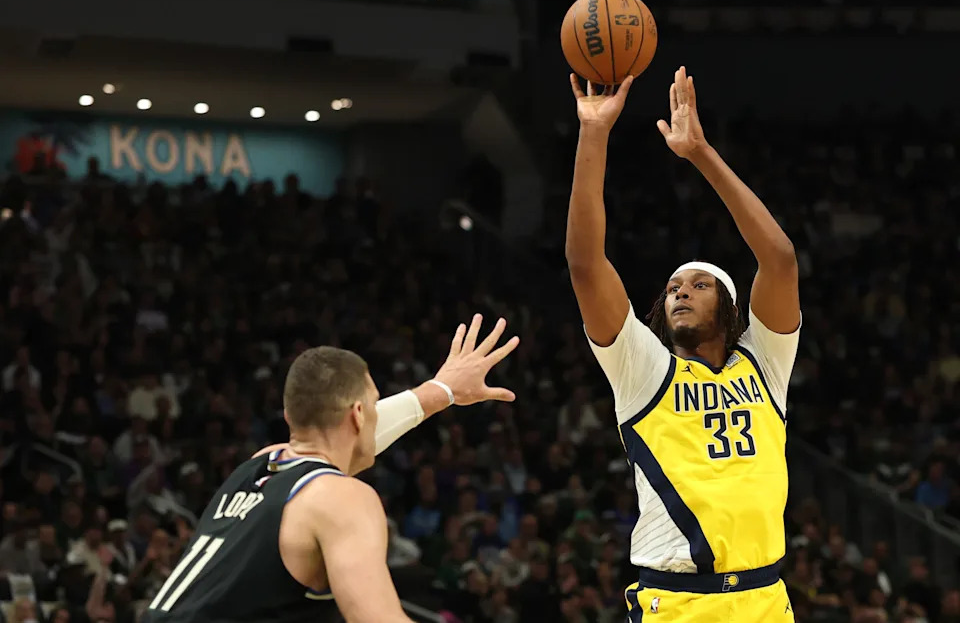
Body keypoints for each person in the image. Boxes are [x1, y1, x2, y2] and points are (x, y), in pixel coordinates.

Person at [565, 66, 801, 622]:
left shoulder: (764, 362)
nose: (679, 293)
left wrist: (700, 153)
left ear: (730, 309)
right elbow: (584, 263)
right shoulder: (643, 369)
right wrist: (593, 133)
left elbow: (780, 260)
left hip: (766, 599)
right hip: (678, 602)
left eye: (698, 285)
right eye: (672, 288)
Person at [140, 314, 519, 623]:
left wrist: (442, 390)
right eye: (371, 405)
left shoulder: (260, 466)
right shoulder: (343, 499)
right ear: (358, 414)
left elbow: (342, 440)